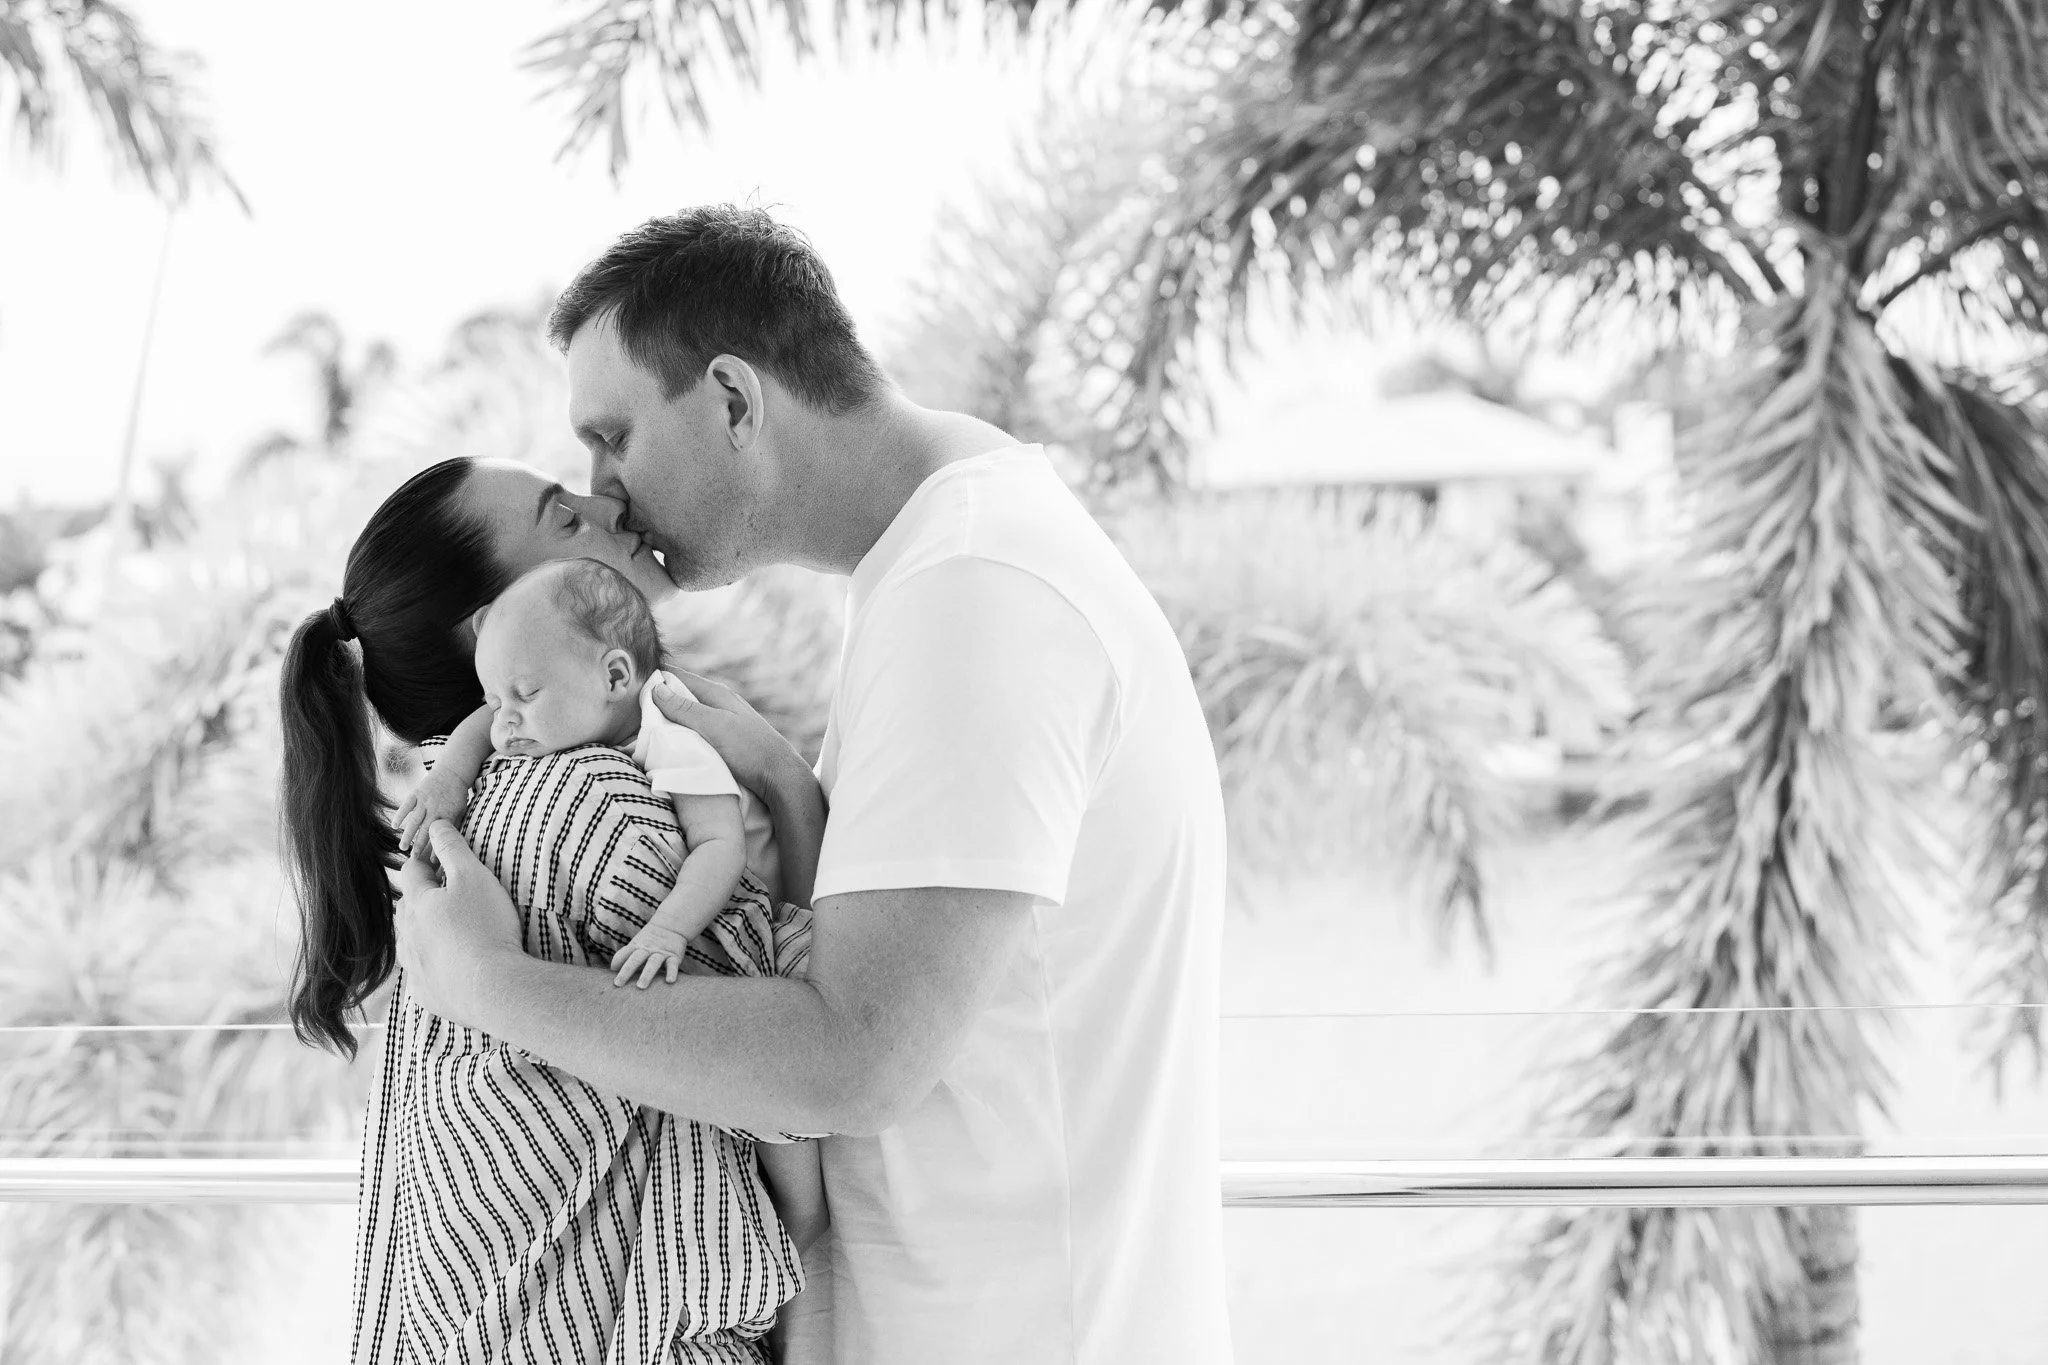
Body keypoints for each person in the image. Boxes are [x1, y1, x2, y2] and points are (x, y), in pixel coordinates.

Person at [392, 206, 1233, 1364]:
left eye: (614, 438)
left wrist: (488, 985)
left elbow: (855, 1055)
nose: (604, 493)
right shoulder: (942, 570)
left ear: (734, 400)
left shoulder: (973, 591)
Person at [276, 456, 828, 1364]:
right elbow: (802, 1064)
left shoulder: (474, 827)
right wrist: (784, 785)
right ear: (496, 626)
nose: (604, 502)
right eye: (562, 521)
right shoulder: (599, 814)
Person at [395, 554, 783, 987]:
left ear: (615, 677)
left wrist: (670, 929)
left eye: (525, 694)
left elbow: (719, 845)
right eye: (494, 701)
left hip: (776, 918)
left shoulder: (671, 733)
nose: (503, 721)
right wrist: (448, 777)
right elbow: (485, 723)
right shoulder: (581, 713)